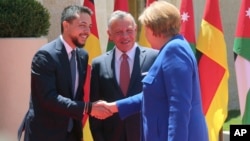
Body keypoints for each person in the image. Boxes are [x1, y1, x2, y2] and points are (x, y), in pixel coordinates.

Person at [100, 1, 209, 141]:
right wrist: (114, 107)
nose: (144, 33)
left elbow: (179, 108)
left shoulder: (174, 50)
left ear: (153, 28)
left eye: (145, 28)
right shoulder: (172, 48)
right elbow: (152, 94)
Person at [17, 5, 112, 141]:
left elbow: (77, 95)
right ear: (66, 25)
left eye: (90, 27)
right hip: (45, 134)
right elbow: (49, 98)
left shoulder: (83, 56)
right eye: (82, 25)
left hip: (72, 134)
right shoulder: (45, 56)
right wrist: (88, 108)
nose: (87, 32)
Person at [89, 10, 158, 141]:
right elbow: (96, 108)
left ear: (136, 30)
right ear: (109, 34)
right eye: (119, 32)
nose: (125, 36)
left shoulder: (154, 57)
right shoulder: (99, 64)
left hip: (145, 135)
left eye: (129, 30)